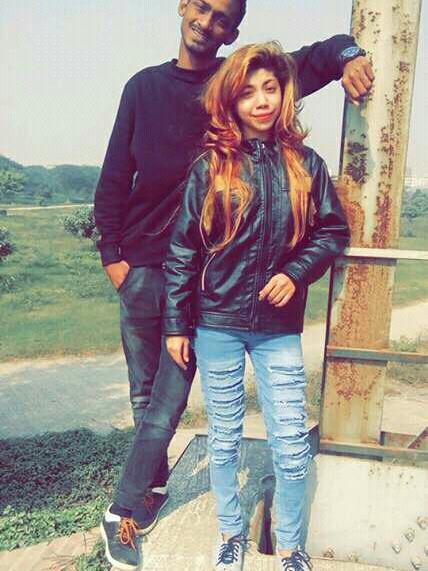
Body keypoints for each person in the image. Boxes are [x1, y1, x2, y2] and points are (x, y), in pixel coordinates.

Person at [94, 1, 372, 568]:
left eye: (223, 17)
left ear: (233, 31)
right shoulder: (144, 87)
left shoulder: (242, 79)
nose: (208, 21)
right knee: (149, 397)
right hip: (147, 269)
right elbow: (115, 175)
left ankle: (126, 508)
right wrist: (113, 258)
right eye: (202, 7)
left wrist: (350, 55)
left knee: (171, 401)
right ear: (183, 7)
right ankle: (145, 494)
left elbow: (318, 55)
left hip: (214, 283)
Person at [163, 41, 350, 571]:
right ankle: (230, 534)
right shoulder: (211, 167)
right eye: (248, 93)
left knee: (291, 444)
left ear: (284, 93)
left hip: (278, 329)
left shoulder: (307, 164)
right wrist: (176, 323)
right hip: (217, 325)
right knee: (223, 440)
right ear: (231, 102)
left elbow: (333, 231)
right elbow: (183, 248)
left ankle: (290, 545)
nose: (261, 101)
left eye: (270, 88)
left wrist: (295, 272)